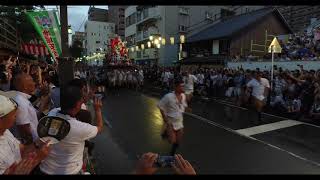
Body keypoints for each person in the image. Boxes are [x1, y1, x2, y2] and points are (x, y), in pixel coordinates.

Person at [39, 85, 104, 174]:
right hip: (69, 171)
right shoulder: (79, 128)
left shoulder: (52, 113)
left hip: (45, 169)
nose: (82, 102)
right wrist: (98, 110)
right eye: (81, 100)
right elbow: (99, 128)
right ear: (78, 104)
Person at [0, 95, 50, 174]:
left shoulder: (5, 131)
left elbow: (22, 150)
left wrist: (39, 142)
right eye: (13, 115)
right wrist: (37, 159)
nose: (16, 117)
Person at [12, 73, 47, 144]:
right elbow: (23, 127)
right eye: (32, 81)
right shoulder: (21, 102)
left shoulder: (22, 99)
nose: (34, 83)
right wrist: (33, 145)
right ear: (25, 86)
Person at [158, 79, 187, 156]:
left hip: (179, 122)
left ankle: (171, 155)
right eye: (182, 86)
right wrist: (165, 119)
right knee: (172, 141)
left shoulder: (183, 96)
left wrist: (185, 109)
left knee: (178, 141)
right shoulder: (168, 97)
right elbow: (160, 106)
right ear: (176, 87)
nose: (184, 88)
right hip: (171, 122)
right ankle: (166, 132)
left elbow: (183, 106)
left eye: (184, 86)